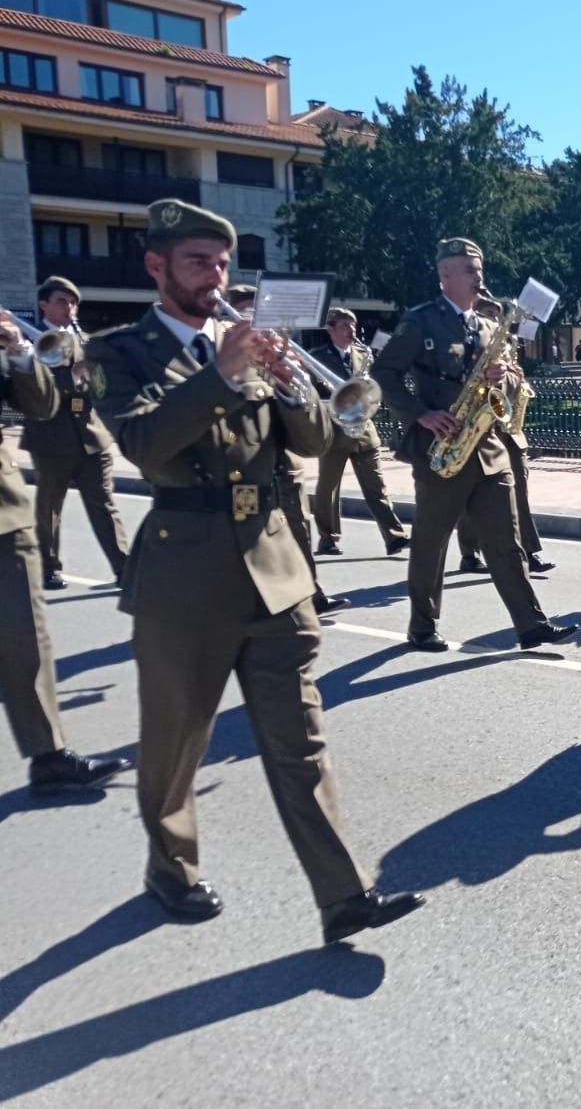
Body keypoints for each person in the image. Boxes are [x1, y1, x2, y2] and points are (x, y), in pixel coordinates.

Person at [84, 199, 422, 939]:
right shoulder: (119, 351)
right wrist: (224, 378)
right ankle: (170, 867)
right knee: (176, 742)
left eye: (222, 263)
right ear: (157, 267)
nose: (215, 277)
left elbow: (311, 443)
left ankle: (344, 896)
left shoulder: (248, 343)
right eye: (198, 263)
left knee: (301, 743)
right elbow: (142, 444)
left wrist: (292, 382)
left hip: (274, 569)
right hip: (185, 574)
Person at [370, 237, 576, 652]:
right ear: (445, 275)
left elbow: (515, 381)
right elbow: (384, 374)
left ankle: (531, 625)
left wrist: (504, 377)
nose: (478, 276)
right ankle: (422, 624)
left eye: (479, 269)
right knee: (432, 540)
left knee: (506, 542)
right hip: (442, 446)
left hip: (488, 448)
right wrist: (421, 414)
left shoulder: (488, 326)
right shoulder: (422, 321)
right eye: (468, 269)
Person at [0, 307, 132, 794]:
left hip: (3, 510)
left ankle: (48, 755)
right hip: (42, 466)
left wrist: (17, 353)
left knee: (23, 637)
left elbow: (37, 405)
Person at [226, 285, 348, 616]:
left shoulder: (278, 350)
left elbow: (313, 432)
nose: (255, 319)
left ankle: (312, 595)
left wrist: (291, 377)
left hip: (286, 460)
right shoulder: (224, 356)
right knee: (253, 538)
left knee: (299, 530)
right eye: (246, 312)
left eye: (258, 311)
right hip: (246, 466)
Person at [20, 276, 128, 588]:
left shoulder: (85, 339)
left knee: (104, 503)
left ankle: (124, 568)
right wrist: (70, 376)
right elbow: (34, 388)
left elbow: (104, 383)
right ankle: (48, 566)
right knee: (50, 505)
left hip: (91, 435)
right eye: (61, 301)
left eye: (73, 302)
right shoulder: (30, 341)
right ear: (44, 304)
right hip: (50, 437)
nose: (69, 307)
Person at [454, 303, 554, 578]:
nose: (496, 322)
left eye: (498, 317)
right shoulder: (468, 345)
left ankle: (529, 553)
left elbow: (510, 386)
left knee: (518, 492)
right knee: (470, 495)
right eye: (490, 317)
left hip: (509, 431)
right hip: (481, 430)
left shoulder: (506, 347)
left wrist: (515, 377)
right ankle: (469, 553)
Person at [308, 307, 409, 558]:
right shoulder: (315, 357)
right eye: (343, 326)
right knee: (327, 488)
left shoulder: (364, 354)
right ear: (330, 329)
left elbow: (373, 388)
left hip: (363, 430)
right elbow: (311, 394)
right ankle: (328, 538)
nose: (350, 331)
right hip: (334, 430)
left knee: (377, 487)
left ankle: (394, 536)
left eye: (352, 326)